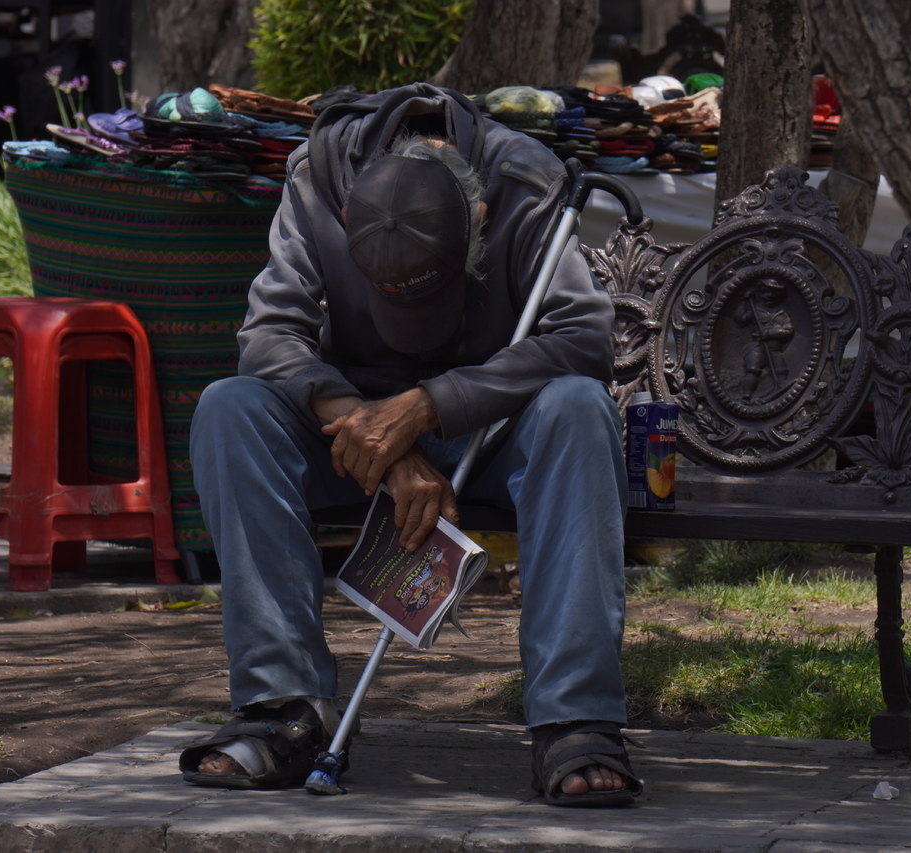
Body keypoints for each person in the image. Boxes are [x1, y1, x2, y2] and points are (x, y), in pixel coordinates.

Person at [180, 83, 642, 807]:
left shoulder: (523, 180)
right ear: (348, 218)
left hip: (495, 430)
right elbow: (269, 336)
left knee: (579, 409)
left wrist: (430, 406)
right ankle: (282, 708)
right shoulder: (317, 178)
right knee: (229, 408)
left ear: (479, 216)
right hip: (355, 436)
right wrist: (386, 444)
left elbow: (583, 338)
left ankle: (575, 719)